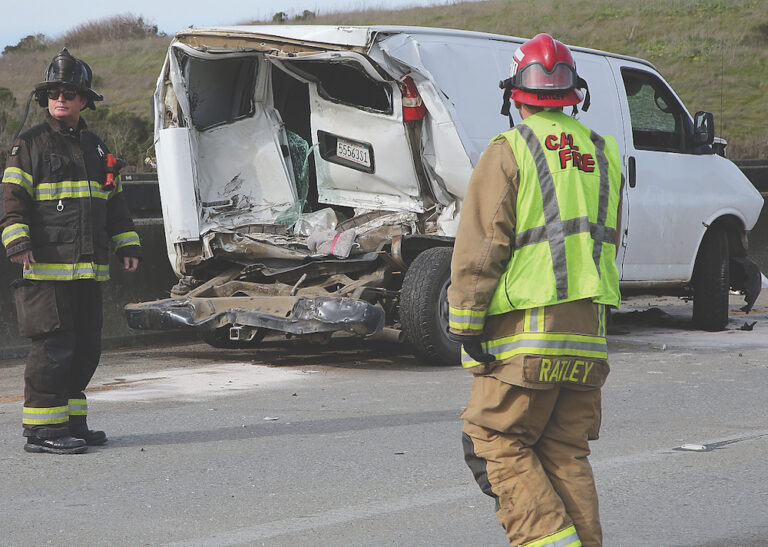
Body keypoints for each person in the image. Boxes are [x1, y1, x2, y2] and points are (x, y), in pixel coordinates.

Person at [447, 34, 623, 546]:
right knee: (564, 453)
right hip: (589, 338)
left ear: (515, 95)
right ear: (574, 95)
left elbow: (481, 248)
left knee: (491, 440)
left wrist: (465, 325)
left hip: (528, 339)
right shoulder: (603, 154)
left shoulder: (511, 150)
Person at [0, 48, 142, 454]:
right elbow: (11, 199)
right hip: (45, 268)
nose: (60, 98)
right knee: (53, 347)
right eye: (53, 92)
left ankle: (71, 422)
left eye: (69, 92)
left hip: (87, 269)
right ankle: (42, 432)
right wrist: (18, 241)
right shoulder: (28, 144)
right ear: (46, 99)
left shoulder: (96, 149)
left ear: (84, 100)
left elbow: (113, 203)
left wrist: (127, 245)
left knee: (85, 348)